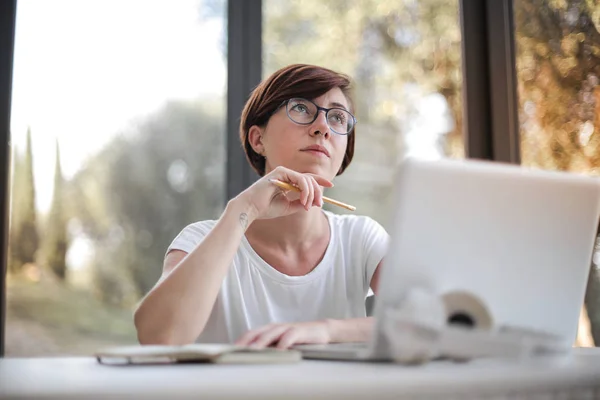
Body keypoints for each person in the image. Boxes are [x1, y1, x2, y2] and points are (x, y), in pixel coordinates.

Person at [134, 64, 389, 349]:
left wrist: (326, 331)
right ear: (258, 139)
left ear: (344, 152)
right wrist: (242, 210)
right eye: (302, 108)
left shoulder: (363, 239)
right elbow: (158, 337)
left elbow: (426, 324)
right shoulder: (199, 241)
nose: (323, 128)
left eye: (338, 117)